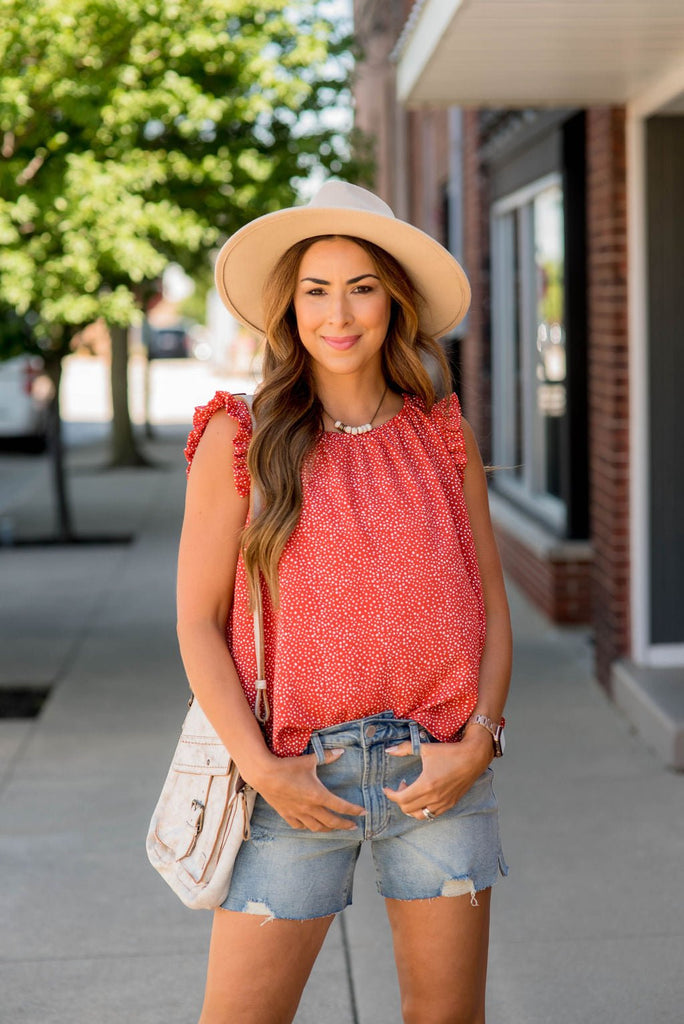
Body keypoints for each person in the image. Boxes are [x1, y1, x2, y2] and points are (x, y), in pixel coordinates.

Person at [177, 181, 511, 1024]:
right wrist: (261, 770)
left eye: (361, 287)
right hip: (293, 779)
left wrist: (481, 740)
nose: (340, 313)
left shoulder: (441, 434)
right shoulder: (239, 436)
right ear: (288, 308)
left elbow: (492, 609)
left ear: (393, 303)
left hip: (435, 775)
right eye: (315, 290)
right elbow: (195, 623)